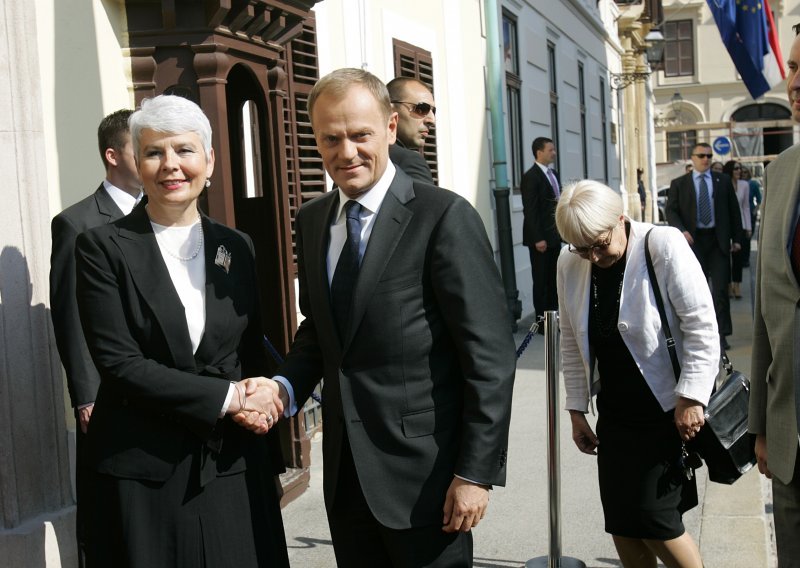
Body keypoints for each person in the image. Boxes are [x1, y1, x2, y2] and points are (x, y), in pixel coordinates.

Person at [258, 68, 516, 567]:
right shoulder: (312, 221)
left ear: (391, 128)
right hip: (347, 480)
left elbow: (490, 358)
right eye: (331, 138)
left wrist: (475, 474)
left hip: (430, 482)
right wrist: (283, 388)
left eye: (360, 135)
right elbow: (321, 330)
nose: (346, 152)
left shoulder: (442, 216)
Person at [74, 95, 289, 567]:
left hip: (233, 465)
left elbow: (250, 353)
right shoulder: (100, 248)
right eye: (154, 152)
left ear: (209, 160)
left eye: (184, 150)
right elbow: (119, 364)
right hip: (144, 470)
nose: (171, 164)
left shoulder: (237, 247)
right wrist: (231, 398)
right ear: (137, 162)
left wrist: (265, 425)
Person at [557, 180, 718, 568]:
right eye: (582, 248)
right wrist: (577, 408)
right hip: (615, 415)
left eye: (599, 243)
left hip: (667, 411)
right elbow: (569, 338)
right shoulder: (570, 261)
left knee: (657, 522)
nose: (593, 256)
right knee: (623, 523)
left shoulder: (661, 245)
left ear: (621, 218)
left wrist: (692, 398)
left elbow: (701, 326)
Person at [49, 108, 142, 566]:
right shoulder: (77, 222)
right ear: (112, 155)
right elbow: (70, 315)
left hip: (156, 386)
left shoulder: (162, 214)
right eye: (138, 148)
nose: (151, 158)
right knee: (107, 511)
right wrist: (86, 394)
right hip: (106, 395)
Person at [749, 25, 800, 568]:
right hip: (790, 441)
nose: (794, 81)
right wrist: (762, 425)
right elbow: (768, 310)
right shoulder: (782, 171)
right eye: (791, 68)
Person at [666, 142, 742, 350]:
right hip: (694, 243)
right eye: (701, 155)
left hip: (717, 242)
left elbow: (734, 211)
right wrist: (681, 230)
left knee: (719, 292)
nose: (706, 159)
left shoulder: (722, 181)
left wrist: (737, 239)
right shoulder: (679, 184)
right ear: (693, 158)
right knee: (694, 291)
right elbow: (670, 211)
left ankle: (721, 334)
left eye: (709, 155)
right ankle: (696, 333)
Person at [520, 137, 561, 328]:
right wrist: (538, 238)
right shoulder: (531, 177)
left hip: (555, 238)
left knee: (554, 281)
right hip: (541, 240)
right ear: (539, 152)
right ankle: (542, 324)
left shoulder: (553, 174)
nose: (554, 152)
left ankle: (554, 320)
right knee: (542, 282)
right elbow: (531, 210)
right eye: (550, 150)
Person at [386, 77, 436, 183]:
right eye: (421, 109)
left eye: (433, 111)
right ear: (389, 110)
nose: (432, 120)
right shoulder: (408, 161)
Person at [722, 160, 751, 300]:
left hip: (740, 225)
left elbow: (746, 206)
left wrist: (748, 227)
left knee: (738, 257)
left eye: (740, 168)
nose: (739, 171)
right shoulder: (723, 184)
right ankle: (728, 285)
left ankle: (737, 285)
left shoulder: (744, 185)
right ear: (729, 171)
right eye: (736, 169)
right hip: (726, 225)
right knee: (726, 257)